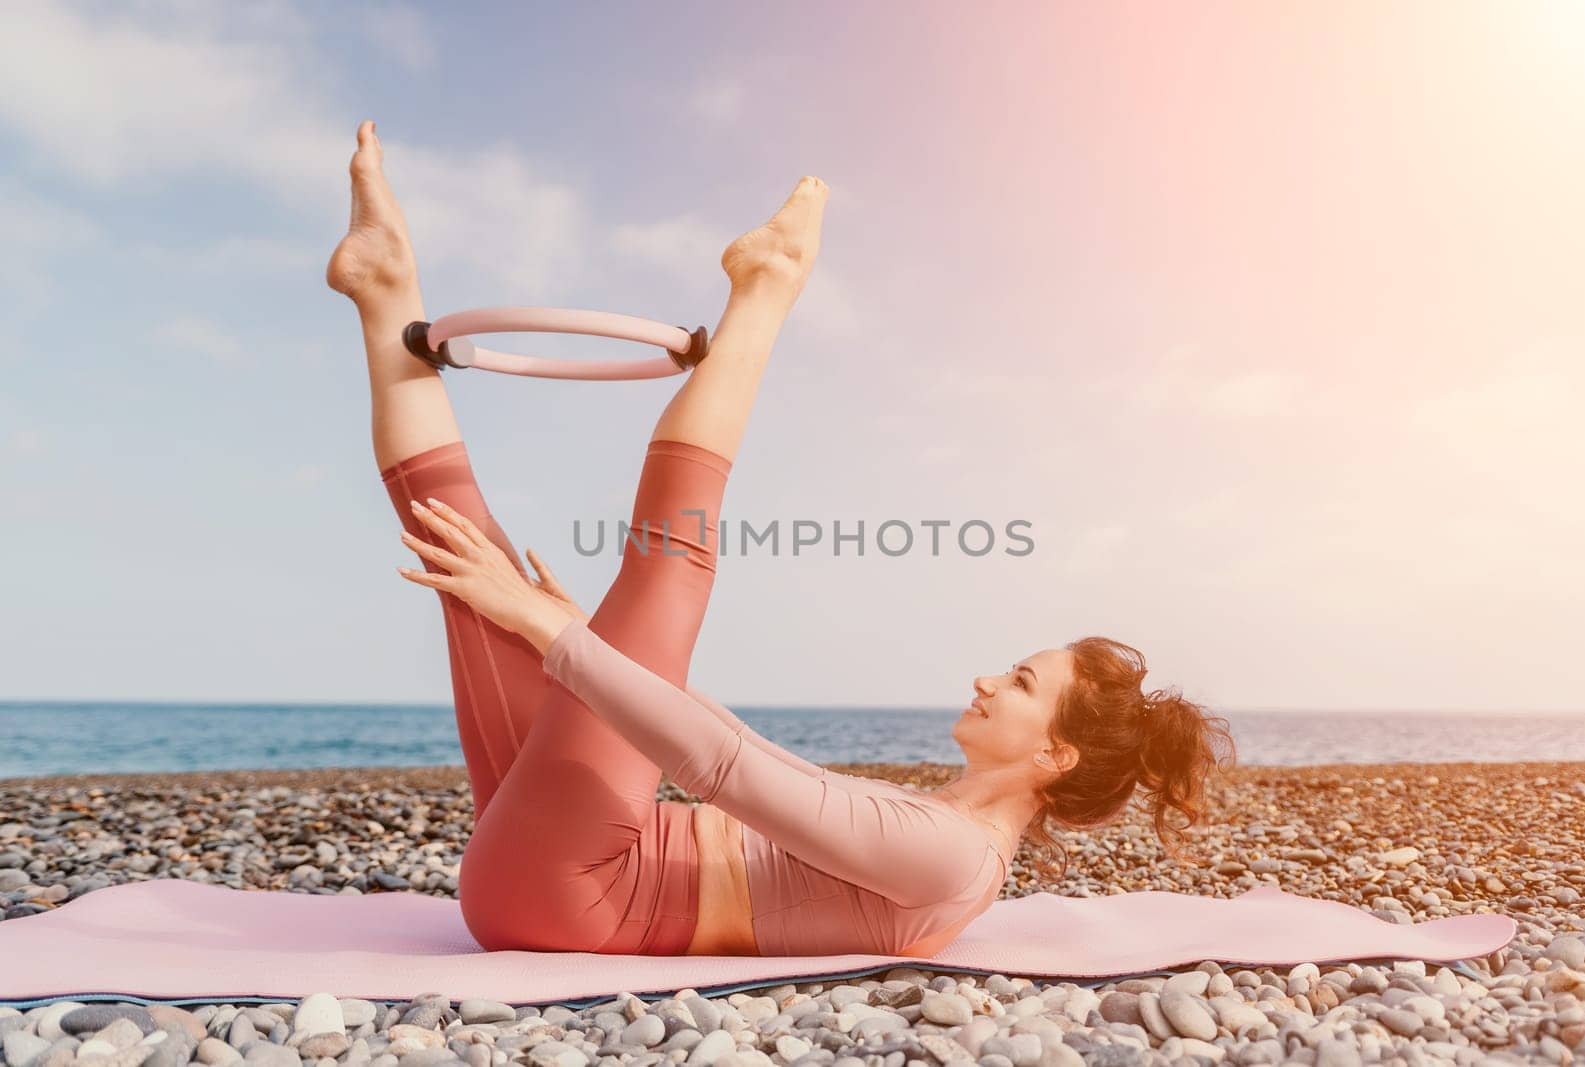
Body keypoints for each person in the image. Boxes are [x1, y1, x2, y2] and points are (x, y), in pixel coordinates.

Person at [327, 121, 1236, 958]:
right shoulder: (941, 829)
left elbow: (719, 767)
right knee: (466, 564)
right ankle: (385, 290)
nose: (989, 677)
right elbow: (739, 746)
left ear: (1055, 755)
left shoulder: (953, 857)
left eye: (1024, 682)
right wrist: (571, 639)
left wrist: (556, 635)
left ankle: (767, 285)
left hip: (583, 888)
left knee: (672, 560)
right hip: (570, 863)